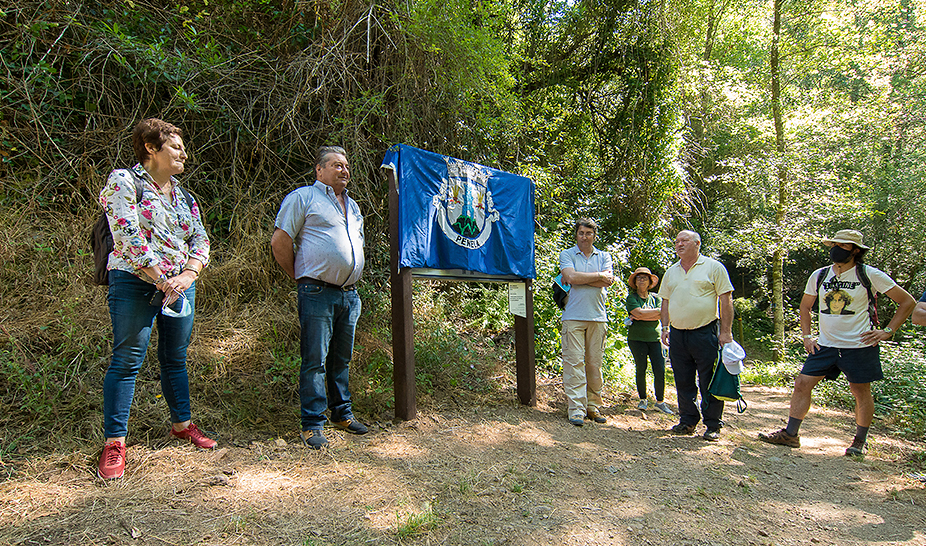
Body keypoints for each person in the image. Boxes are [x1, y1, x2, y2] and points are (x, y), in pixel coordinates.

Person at [97, 118, 216, 480]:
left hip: (179, 286)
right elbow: (127, 236)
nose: (183, 153)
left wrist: (188, 275)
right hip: (135, 282)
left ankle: (182, 425)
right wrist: (162, 280)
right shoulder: (124, 181)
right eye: (176, 147)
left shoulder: (184, 195)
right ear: (151, 147)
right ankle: (115, 443)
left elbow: (201, 240)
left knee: (174, 359)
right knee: (127, 362)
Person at [759, 229, 915, 455]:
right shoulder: (820, 275)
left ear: (856, 250)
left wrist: (888, 331)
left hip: (859, 345)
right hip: (825, 345)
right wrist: (807, 336)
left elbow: (907, 301)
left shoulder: (869, 274)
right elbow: (805, 306)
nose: (836, 249)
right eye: (835, 245)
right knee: (802, 383)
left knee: (860, 390)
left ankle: (859, 442)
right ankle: (790, 435)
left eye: (844, 246)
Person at [270, 145, 369, 449]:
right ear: (319, 169)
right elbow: (280, 241)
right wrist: (300, 277)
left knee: (341, 358)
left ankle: (342, 414)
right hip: (316, 291)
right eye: (337, 165)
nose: (344, 170)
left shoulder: (352, 207)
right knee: (315, 360)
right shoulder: (302, 198)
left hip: (349, 295)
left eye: (347, 166)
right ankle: (312, 424)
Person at [658, 230, 734, 441]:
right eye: (676, 241)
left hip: (705, 331)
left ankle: (712, 425)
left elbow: (725, 300)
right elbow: (665, 301)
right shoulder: (671, 272)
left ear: (697, 243)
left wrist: (725, 332)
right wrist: (665, 328)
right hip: (678, 335)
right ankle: (688, 421)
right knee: (683, 379)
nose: (679, 244)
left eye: (684, 241)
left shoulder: (713, 267)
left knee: (708, 380)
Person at [559, 218, 615, 426]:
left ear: (594, 235)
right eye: (581, 233)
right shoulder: (567, 254)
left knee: (594, 365)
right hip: (573, 316)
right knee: (573, 363)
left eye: (588, 233)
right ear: (576, 234)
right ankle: (576, 409)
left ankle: (593, 406)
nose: (584, 237)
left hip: (598, 317)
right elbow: (570, 277)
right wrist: (598, 277)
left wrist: (582, 278)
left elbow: (607, 281)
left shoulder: (605, 256)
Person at [625, 267, 673, 414]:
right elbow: (637, 312)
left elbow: (663, 313)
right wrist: (645, 314)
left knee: (660, 369)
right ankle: (643, 399)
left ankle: (660, 401)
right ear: (635, 281)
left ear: (650, 281)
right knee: (641, 368)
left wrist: (642, 315)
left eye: (645, 277)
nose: (642, 280)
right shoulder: (632, 298)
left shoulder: (657, 298)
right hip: (637, 339)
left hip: (656, 339)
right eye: (639, 277)